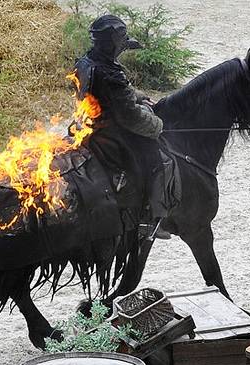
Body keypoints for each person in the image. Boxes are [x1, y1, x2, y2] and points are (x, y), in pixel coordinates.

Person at [71, 14, 173, 239]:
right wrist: (158, 125)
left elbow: (115, 94)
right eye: (121, 44)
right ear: (113, 43)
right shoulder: (111, 73)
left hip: (85, 124)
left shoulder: (86, 62)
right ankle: (150, 219)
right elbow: (130, 117)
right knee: (160, 160)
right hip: (110, 131)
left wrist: (139, 96)